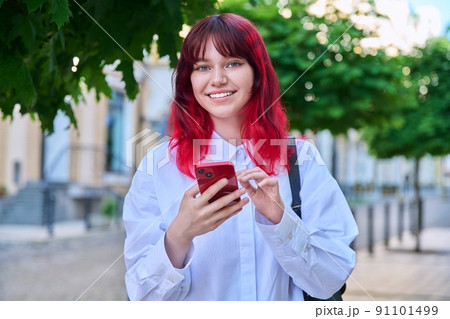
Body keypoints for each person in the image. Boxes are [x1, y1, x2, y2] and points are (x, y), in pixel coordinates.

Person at [123, 13, 358, 301]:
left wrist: (280, 220)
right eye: (203, 67)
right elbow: (142, 298)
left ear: (257, 73)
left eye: (233, 63)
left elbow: (331, 280)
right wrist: (178, 236)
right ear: (189, 79)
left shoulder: (301, 160)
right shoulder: (159, 166)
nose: (218, 79)